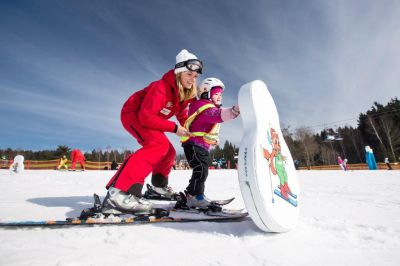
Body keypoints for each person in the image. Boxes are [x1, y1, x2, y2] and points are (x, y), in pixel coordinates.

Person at [102, 49, 202, 214]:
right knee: (158, 145)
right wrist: (175, 128)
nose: (193, 79)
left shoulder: (182, 94)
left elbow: (182, 115)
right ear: (179, 72)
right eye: (189, 74)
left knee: (169, 152)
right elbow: (145, 117)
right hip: (133, 115)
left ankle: (158, 188)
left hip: (149, 118)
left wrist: (195, 130)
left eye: (196, 76)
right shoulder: (161, 87)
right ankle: (120, 193)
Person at [180, 77, 240, 208]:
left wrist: (213, 140)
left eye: (220, 94)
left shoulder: (204, 107)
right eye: (216, 94)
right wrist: (234, 110)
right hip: (195, 145)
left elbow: (203, 128)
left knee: (200, 170)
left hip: (198, 145)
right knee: (201, 170)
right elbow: (219, 115)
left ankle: (193, 194)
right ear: (206, 93)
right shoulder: (206, 108)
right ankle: (195, 196)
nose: (219, 97)